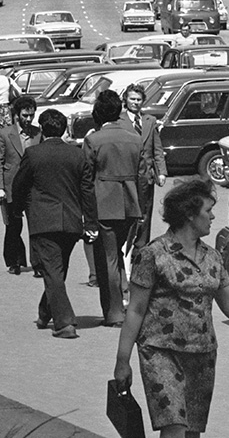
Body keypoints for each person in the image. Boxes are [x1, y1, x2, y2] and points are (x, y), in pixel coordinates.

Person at [113, 179, 229, 437]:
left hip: (202, 356)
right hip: (160, 352)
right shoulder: (153, 254)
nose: (213, 216)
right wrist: (122, 361)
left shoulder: (213, 257)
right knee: (174, 426)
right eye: (208, 210)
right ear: (189, 214)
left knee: (192, 431)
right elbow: (135, 310)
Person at [12, 109, 98, 339]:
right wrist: (91, 222)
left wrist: (16, 211)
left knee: (53, 271)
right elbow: (88, 191)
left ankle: (64, 322)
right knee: (57, 271)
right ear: (65, 130)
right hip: (71, 221)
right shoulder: (77, 155)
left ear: (41, 129)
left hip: (43, 219)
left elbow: (19, 185)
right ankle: (44, 313)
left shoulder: (33, 154)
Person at [83, 90, 145, 327]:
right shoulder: (135, 138)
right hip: (130, 205)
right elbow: (143, 178)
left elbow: (86, 180)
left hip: (104, 205)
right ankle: (122, 302)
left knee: (107, 259)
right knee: (118, 255)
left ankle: (114, 312)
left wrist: (86, 212)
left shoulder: (94, 140)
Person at [0, 96, 41, 275]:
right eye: (25, 115)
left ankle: (37, 264)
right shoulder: (5, 134)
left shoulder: (38, 133)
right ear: (17, 115)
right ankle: (14, 261)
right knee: (13, 227)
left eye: (31, 115)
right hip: (11, 186)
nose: (28, 119)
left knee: (36, 227)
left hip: (32, 188)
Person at [121, 83, 166, 249]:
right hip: (127, 174)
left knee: (145, 213)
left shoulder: (150, 121)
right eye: (132, 99)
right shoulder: (119, 121)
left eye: (139, 99)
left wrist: (161, 172)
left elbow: (157, 149)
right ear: (126, 100)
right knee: (129, 212)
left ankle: (141, 247)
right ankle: (126, 244)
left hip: (146, 176)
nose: (135, 102)